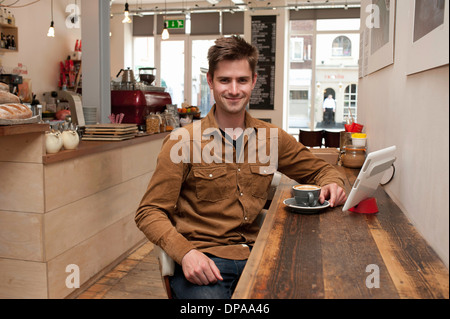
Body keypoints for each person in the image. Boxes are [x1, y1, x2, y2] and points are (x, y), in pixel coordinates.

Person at [135, 35, 347, 299]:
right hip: (205, 261)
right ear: (210, 81)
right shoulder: (183, 142)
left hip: (258, 255)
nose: (234, 90)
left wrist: (333, 183)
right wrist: (186, 254)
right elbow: (149, 212)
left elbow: (321, 170)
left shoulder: (272, 138)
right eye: (225, 80)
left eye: (242, 80)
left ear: (253, 81)